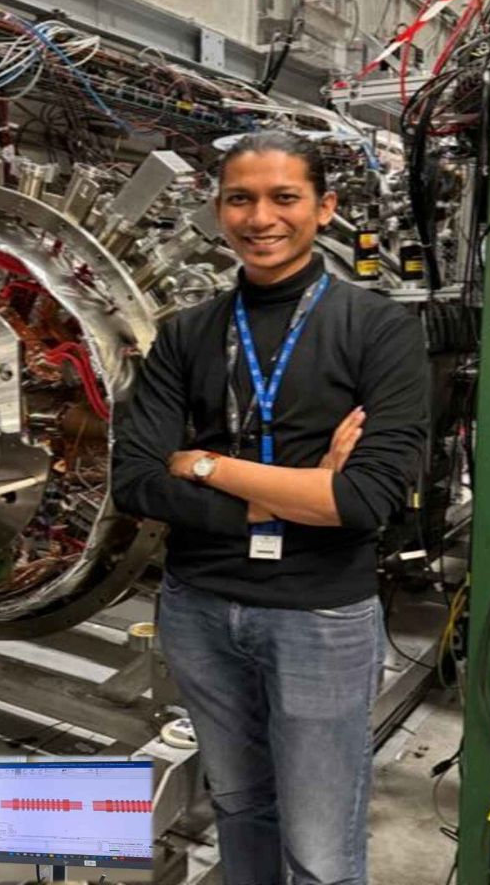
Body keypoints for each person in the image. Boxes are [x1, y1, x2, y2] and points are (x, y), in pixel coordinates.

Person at [111, 130, 429, 885]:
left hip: (319, 617)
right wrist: (280, 500)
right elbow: (135, 482)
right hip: (199, 607)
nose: (261, 218)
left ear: (325, 209)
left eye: (284, 198)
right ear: (218, 211)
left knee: (319, 848)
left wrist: (210, 465)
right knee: (240, 807)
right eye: (241, 199)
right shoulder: (187, 334)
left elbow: (361, 501)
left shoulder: (379, 330)